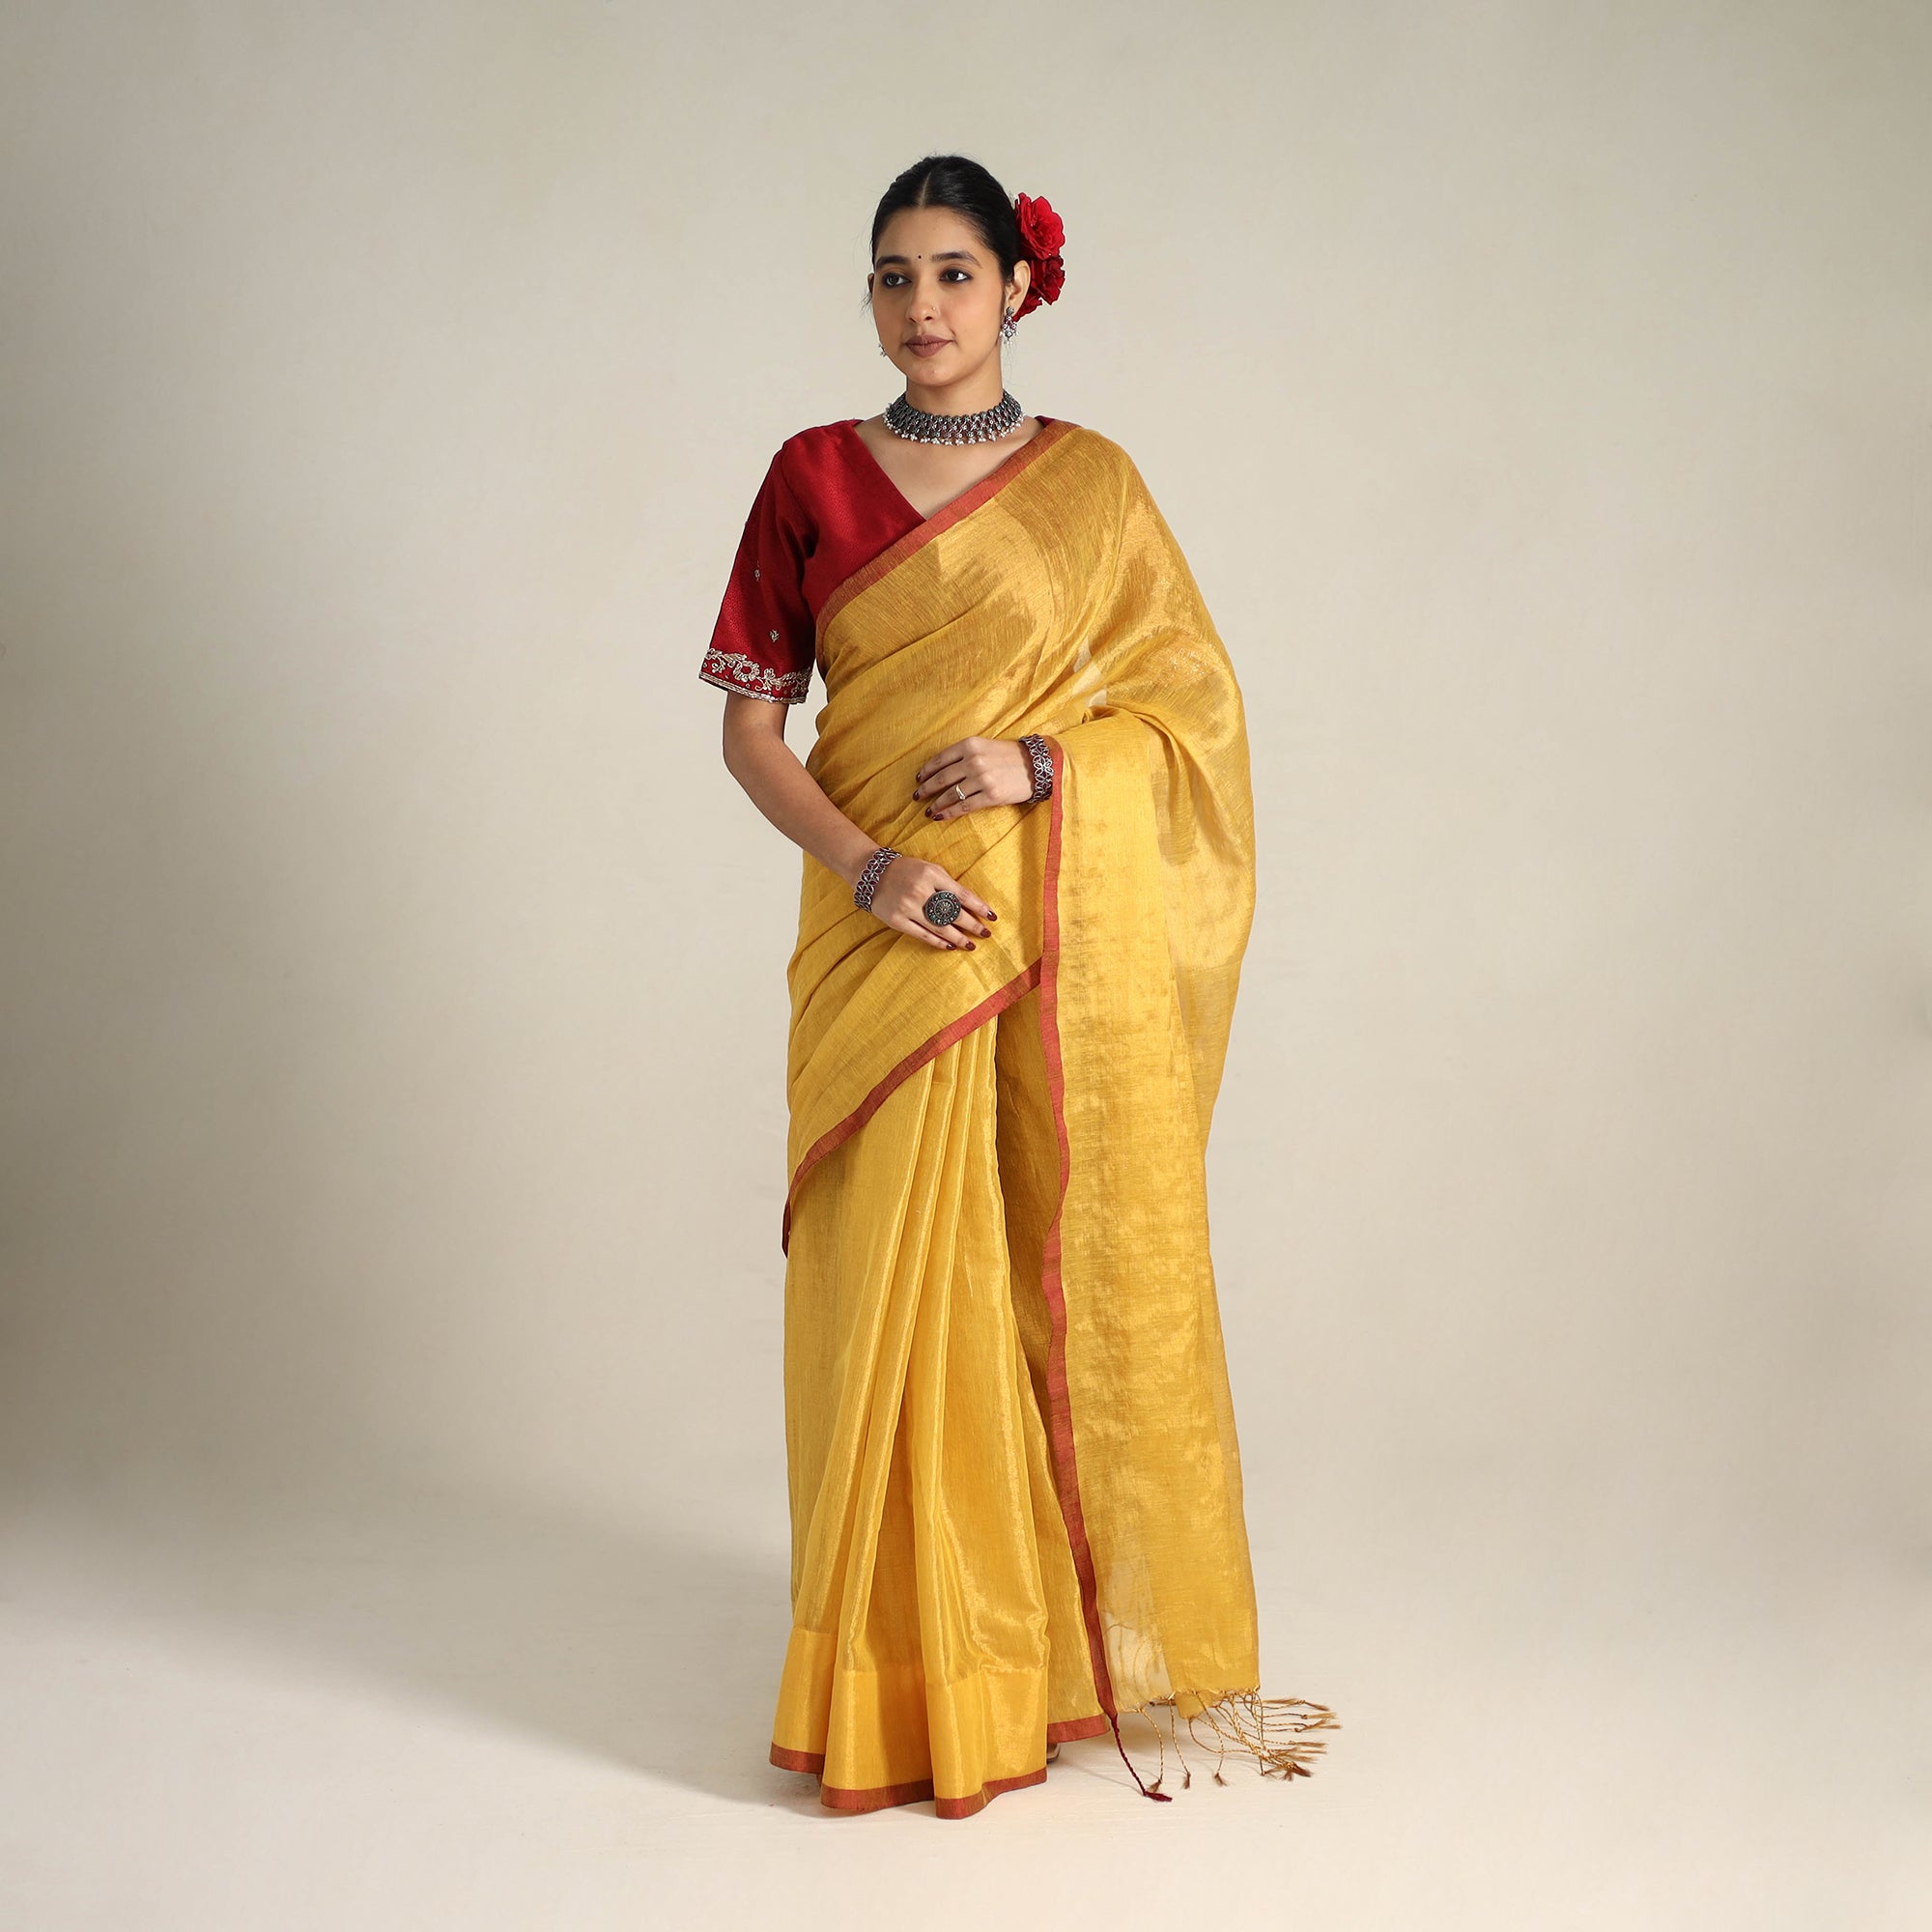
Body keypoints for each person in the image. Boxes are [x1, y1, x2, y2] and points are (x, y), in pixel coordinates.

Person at [699, 153, 1336, 1819]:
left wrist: (1047, 763)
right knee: (878, 1292)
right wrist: (872, 870)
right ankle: (892, 1675)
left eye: (954, 274)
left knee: (1025, 1263)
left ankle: (1025, 1659)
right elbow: (752, 733)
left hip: (1041, 938)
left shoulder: (1094, 487)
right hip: (878, 935)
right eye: (894, 276)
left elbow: (1196, 716)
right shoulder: (809, 476)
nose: (923, 307)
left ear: (1016, 287)